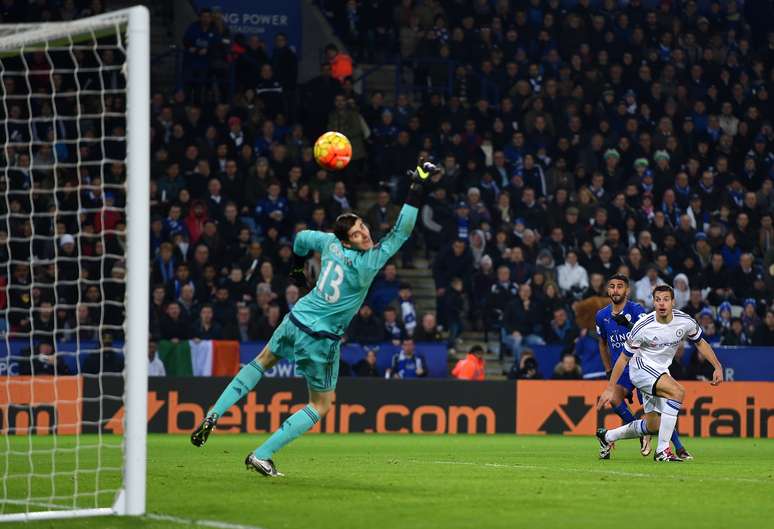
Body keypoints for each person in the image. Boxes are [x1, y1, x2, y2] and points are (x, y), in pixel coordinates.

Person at [191, 160, 440, 478]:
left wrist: (296, 268)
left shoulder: (330, 243)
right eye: (357, 232)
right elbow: (401, 230)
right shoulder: (369, 262)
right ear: (348, 241)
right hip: (321, 338)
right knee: (321, 404)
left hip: (295, 319)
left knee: (263, 361)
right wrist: (418, 184)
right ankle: (262, 454)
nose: (364, 232)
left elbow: (300, 240)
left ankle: (214, 413)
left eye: (362, 226)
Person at [597, 285, 724, 462]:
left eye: (666, 299)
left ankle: (607, 436)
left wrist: (717, 366)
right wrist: (610, 388)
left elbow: (700, 342)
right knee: (678, 392)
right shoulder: (643, 326)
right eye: (658, 300)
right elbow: (623, 359)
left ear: (673, 302)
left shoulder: (685, 321)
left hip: (660, 371)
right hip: (641, 369)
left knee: (652, 425)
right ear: (653, 302)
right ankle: (663, 451)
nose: (662, 303)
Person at [595, 274, 654, 457]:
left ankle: (669, 446)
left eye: (620, 286)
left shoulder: (637, 309)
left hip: (641, 365)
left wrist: (628, 324)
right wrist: (607, 369)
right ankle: (642, 434)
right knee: (614, 398)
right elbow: (603, 343)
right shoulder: (602, 315)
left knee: (650, 411)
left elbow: (647, 335)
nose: (615, 290)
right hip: (621, 369)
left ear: (627, 290)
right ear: (608, 290)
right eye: (612, 286)